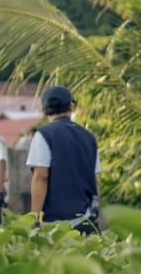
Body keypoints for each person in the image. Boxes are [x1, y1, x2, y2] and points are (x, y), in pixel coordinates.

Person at [27, 86, 100, 232]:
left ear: (44, 110)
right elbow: (95, 180)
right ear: (70, 106)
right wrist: (96, 214)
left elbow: (41, 176)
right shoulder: (89, 137)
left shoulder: (43, 135)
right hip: (85, 220)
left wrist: (35, 219)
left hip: (55, 226)